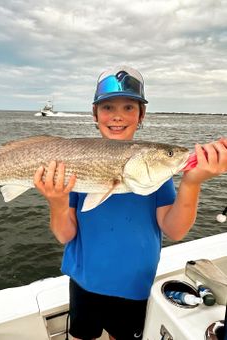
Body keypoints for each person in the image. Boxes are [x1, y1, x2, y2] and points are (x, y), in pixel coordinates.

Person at [34, 65, 227, 340]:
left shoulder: (155, 172)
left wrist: (191, 182)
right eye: (108, 108)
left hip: (134, 286)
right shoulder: (76, 167)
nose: (117, 116)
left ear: (141, 116)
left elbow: (175, 230)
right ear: (95, 114)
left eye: (128, 107)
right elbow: (65, 234)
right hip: (83, 282)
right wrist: (56, 200)